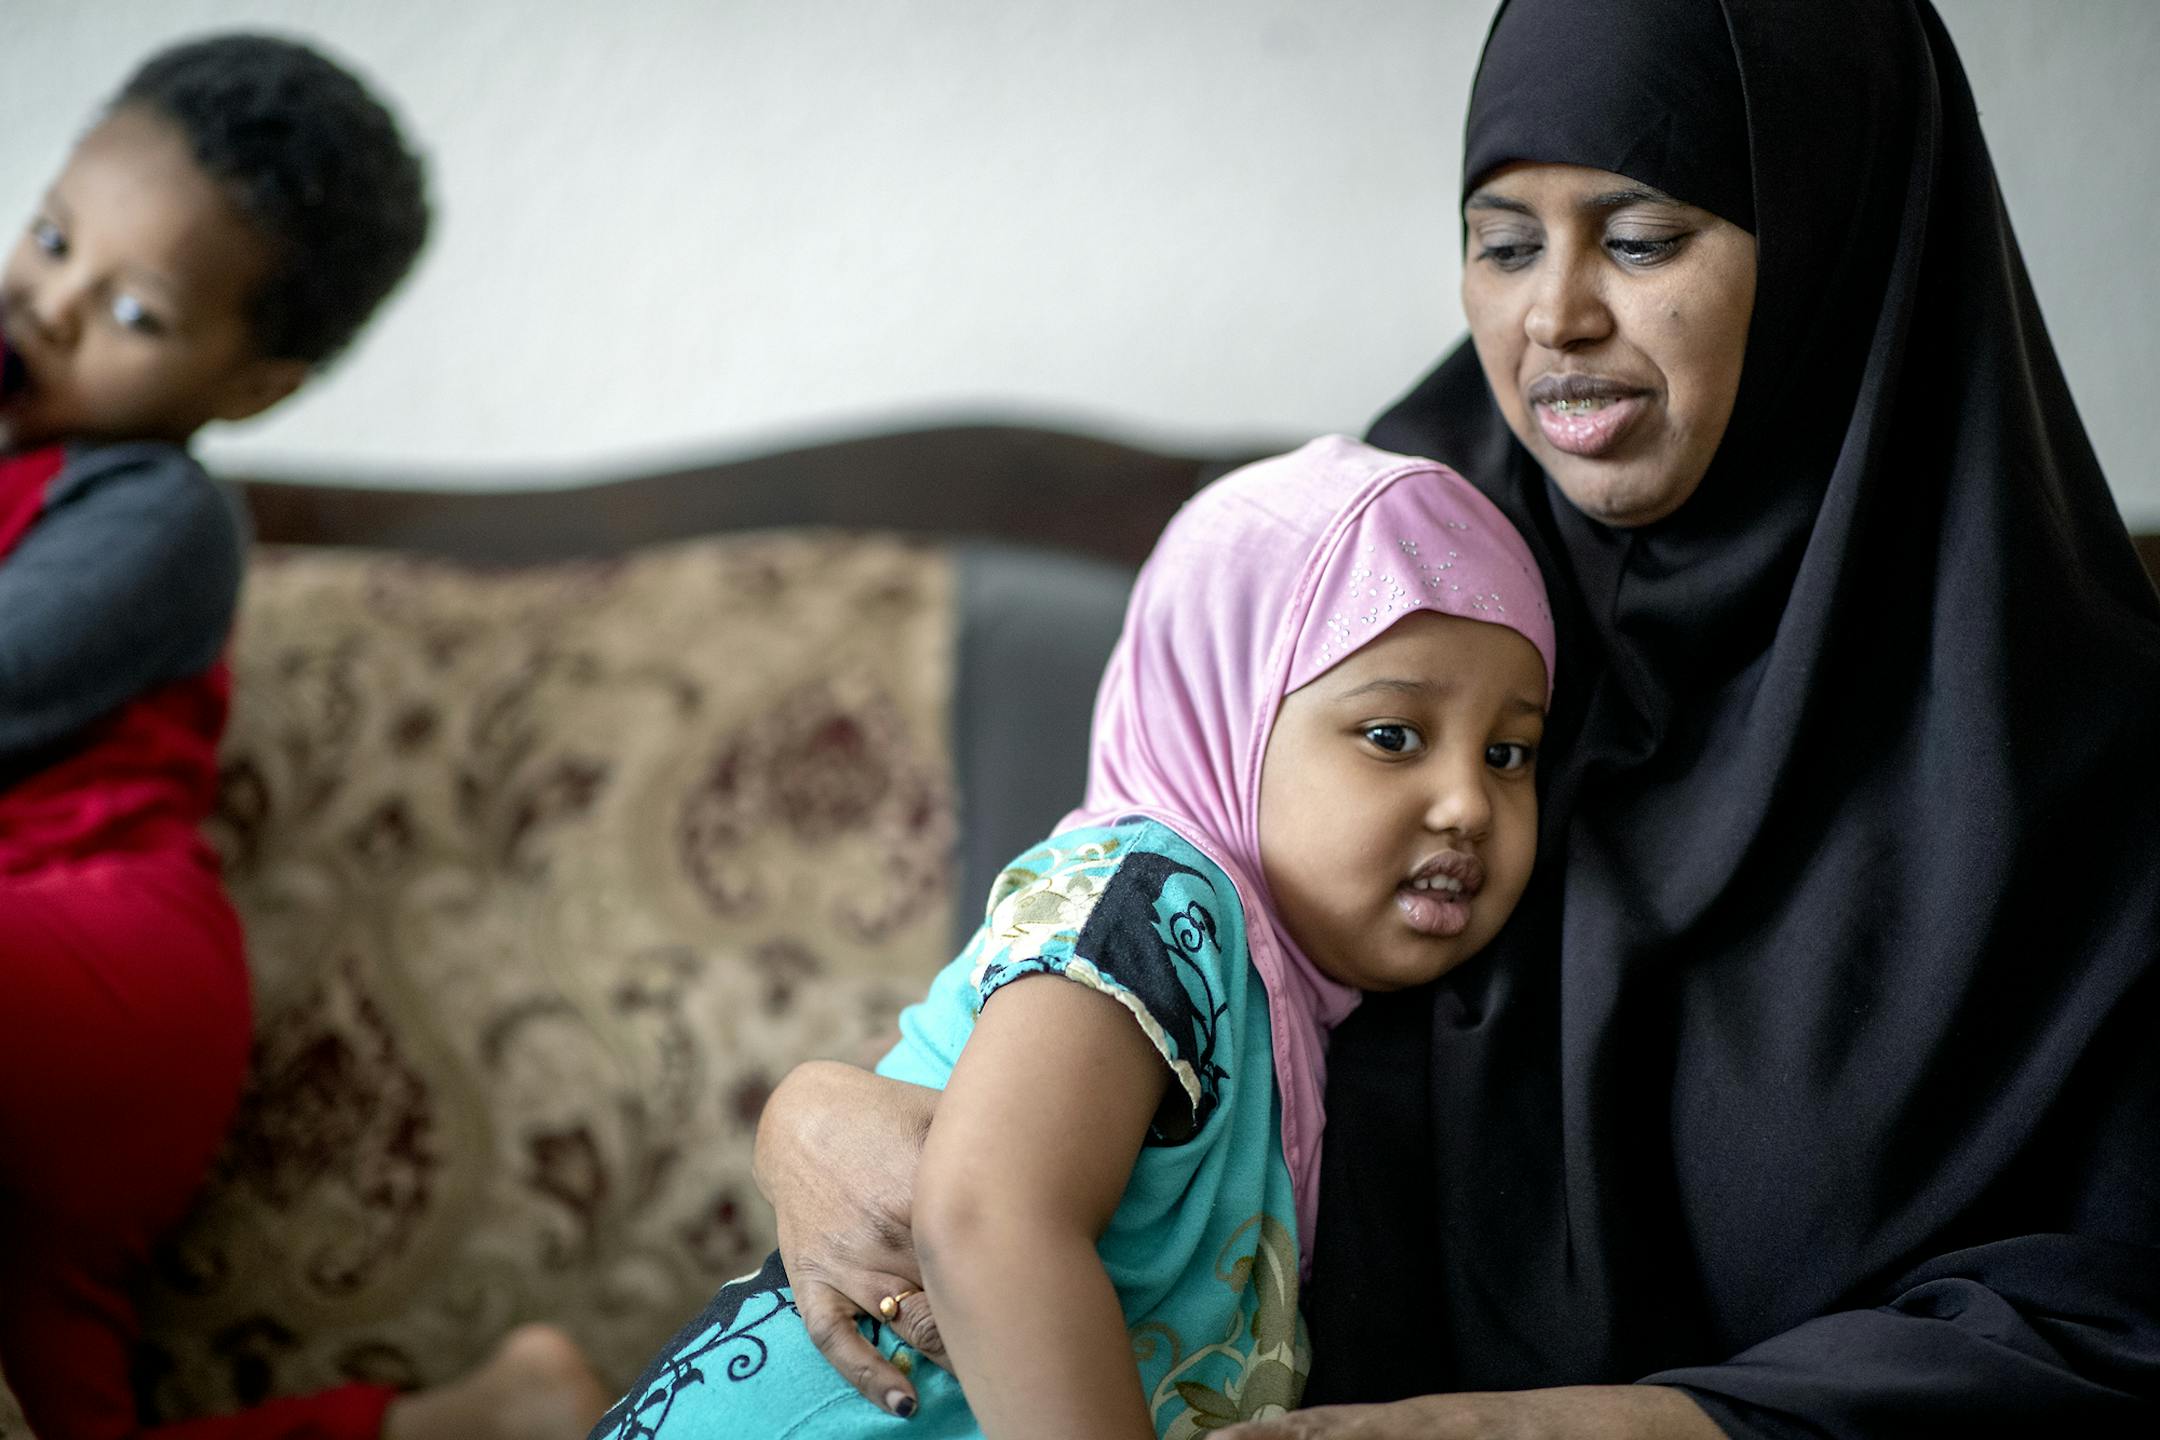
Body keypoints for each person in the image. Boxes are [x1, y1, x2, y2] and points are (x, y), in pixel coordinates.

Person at [751, 1, 2160, 1435]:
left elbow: (2117, 1320)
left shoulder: (2075, 756)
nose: (1553, 317)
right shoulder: (1419, 567)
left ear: (1830, 245)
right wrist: (809, 1114)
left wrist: (1575, 1427)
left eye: (1643, 237)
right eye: (1501, 243)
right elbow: (1109, 942)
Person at [593, 435, 1559, 1439]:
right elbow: (988, 1218)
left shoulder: (1295, 1002)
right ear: (1223, 711)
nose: (1466, 804)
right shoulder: (1151, 901)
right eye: (1392, 736)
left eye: (1508, 752)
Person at [0, 33, 608, 1440]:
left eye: (136, 312)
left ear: (252, 383)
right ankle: (472, 1422)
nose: (52, 305)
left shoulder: (161, 513)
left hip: (86, 952)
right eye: (48, 237)